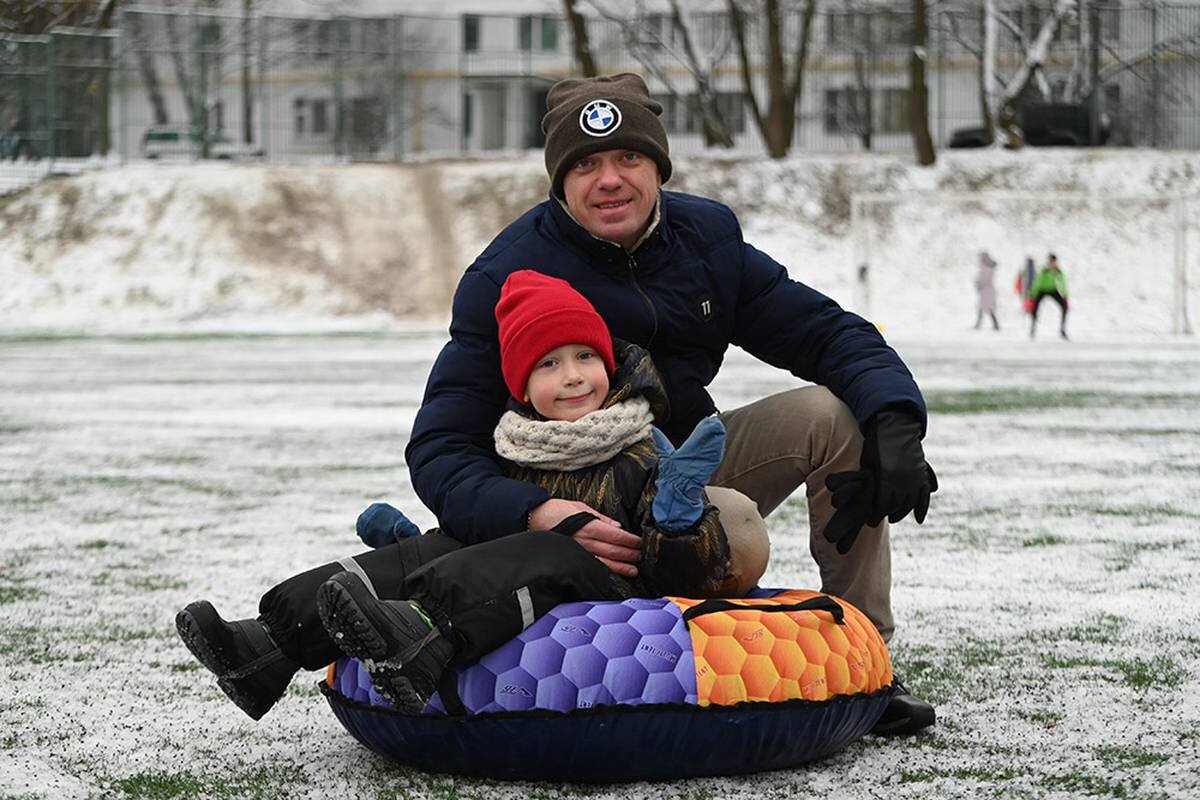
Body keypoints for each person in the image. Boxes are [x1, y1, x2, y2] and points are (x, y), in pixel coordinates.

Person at [403, 73, 939, 734]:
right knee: (736, 526)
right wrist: (536, 510)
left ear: (657, 166)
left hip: (680, 471)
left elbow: (827, 331)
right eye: (586, 164)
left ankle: (867, 658)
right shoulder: (508, 275)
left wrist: (895, 420)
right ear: (559, 181)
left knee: (835, 415)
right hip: (579, 504)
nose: (609, 179)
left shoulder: (706, 239)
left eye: (628, 157)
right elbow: (439, 447)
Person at [176, 270, 748, 718]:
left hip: (615, 582)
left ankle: (418, 632)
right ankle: (271, 642)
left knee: (551, 548)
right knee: (436, 545)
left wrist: (679, 516)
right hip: (518, 569)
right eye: (548, 364)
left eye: (585, 357)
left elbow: (689, 572)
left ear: (608, 362)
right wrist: (432, 547)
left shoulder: (643, 445)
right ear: (522, 385)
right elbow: (488, 528)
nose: (572, 376)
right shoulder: (514, 447)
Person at [1030, 253, 1069, 339]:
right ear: (1049, 262)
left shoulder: (1058, 271)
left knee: (1065, 307)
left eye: (1054, 262)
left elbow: (1063, 283)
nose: (1053, 264)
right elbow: (1037, 282)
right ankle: (1032, 328)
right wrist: (1033, 295)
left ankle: (1062, 329)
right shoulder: (1044, 271)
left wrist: (1065, 295)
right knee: (1034, 308)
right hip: (1042, 290)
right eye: (1051, 262)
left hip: (1052, 289)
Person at [973, 251, 1000, 330]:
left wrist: (977, 283)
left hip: (986, 292)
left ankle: (993, 325)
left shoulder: (986, 269)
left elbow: (984, 280)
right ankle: (980, 324)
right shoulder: (987, 268)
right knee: (984, 308)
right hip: (987, 292)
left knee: (986, 308)